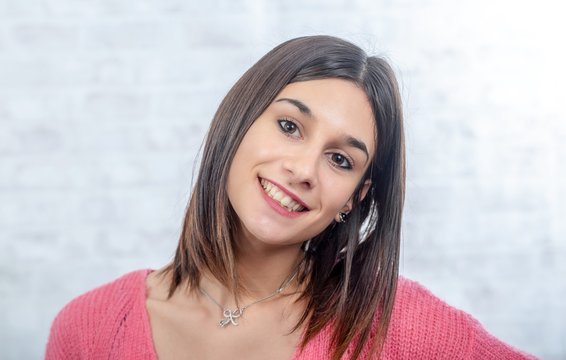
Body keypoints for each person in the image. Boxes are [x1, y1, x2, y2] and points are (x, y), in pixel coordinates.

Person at [45, 35, 536, 360]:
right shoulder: (89, 328)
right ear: (239, 123)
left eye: (340, 160)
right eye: (289, 126)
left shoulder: (398, 327)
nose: (303, 170)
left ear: (355, 197)